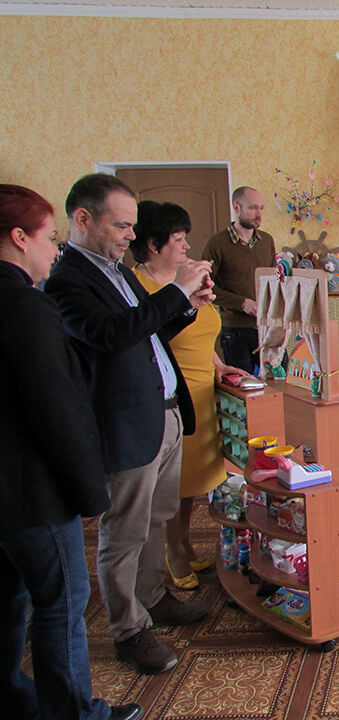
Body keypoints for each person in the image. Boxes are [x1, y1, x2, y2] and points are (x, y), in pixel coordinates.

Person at [45, 174, 214, 675]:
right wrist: (175, 292)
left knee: (157, 519)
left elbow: (145, 331)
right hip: (125, 424)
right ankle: (128, 629)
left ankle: (153, 597)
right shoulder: (67, 281)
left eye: (132, 225)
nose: (130, 235)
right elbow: (111, 334)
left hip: (163, 413)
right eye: (121, 225)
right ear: (83, 219)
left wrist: (186, 308)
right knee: (125, 534)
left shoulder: (116, 271)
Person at [0, 184, 141, 719]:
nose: (54, 248)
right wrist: (88, 492)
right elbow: (56, 409)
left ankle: (15, 700)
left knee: (10, 600)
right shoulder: (26, 306)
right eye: (48, 237)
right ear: (20, 238)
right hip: (32, 490)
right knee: (60, 604)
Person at [131, 201, 250, 589]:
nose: (186, 246)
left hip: (202, 390)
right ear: (154, 245)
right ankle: (171, 553)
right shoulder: (141, 287)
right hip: (171, 394)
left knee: (192, 483)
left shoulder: (190, 279)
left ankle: (183, 543)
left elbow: (204, 330)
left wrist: (218, 366)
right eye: (178, 239)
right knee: (170, 484)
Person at [202, 186, 276, 375]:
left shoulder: (267, 241)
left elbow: (273, 280)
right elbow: (205, 287)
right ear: (236, 208)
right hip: (235, 331)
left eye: (261, 208)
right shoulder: (217, 244)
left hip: (267, 328)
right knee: (243, 384)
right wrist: (242, 303)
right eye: (252, 208)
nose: (259, 214)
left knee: (278, 381)